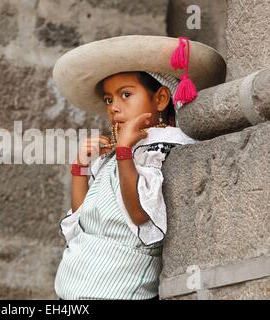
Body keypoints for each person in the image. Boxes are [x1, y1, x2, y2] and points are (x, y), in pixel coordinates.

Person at [52, 35, 227, 300]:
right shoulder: (115, 156)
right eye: (109, 100)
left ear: (160, 99)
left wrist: (124, 154)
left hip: (117, 288)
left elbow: (139, 215)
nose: (114, 108)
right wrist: (80, 170)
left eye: (126, 95)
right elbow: (83, 220)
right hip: (75, 283)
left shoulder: (158, 149)